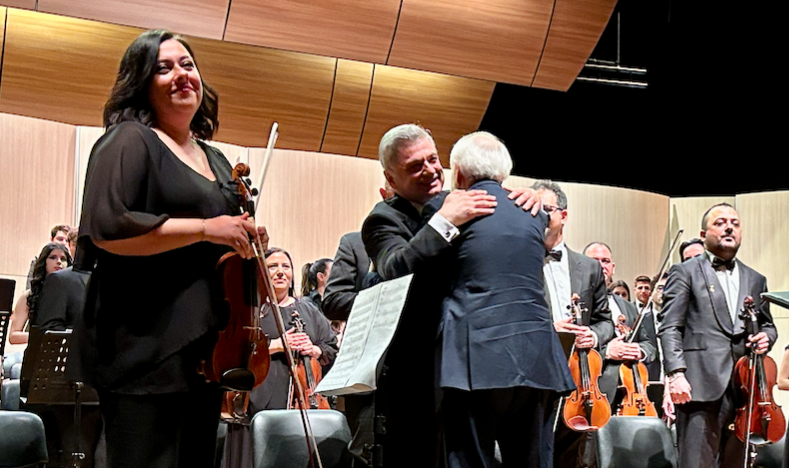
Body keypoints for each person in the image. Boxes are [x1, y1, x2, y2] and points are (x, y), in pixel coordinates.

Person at [71, 29, 267, 468]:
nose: (181, 75)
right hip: (145, 344)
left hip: (205, 351)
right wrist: (205, 228)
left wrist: (244, 238)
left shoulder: (215, 158)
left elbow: (220, 240)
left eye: (187, 65)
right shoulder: (129, 140)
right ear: (141, 82)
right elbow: (108, 227)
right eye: (163, 68)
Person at [361, 123, 540, 467]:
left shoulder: (460, 199)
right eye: (415, 166)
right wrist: (442, 222)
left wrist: (522, 199)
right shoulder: (381, 220)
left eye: (433, 159)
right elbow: (396, 270)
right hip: (416, 373)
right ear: (391, 180)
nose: (430, 170)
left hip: (470, 360)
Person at [439, 132, 575, 468]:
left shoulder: (451, 209)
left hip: (475, 357)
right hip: (537, 359)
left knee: (470, 460)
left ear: (458, 173)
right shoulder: (535, 213)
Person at [660, 202, 776, 468]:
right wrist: (676, 374)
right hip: (698, 387)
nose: (729, 227)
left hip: (745, 392)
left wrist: (767, 338)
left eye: (735, 223)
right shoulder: (684, 271)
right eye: (720, 222)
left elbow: (769, 325)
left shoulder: (756, 278)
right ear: (703, 234)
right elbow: (670, 327)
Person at [531, 180, 613, 468]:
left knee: (572, 456)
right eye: (533, 210)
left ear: (563, 215)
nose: (538, 216)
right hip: (536, 373)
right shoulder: (523, 261)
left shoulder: (589, 267)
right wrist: (551, 328)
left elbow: (605, 321)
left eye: (546, 210)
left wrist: (593, 334)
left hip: (580, 380)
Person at [583, 242, 657, 408]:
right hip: (592, 391)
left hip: (632, 391)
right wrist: (606, 352)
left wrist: (640, 351)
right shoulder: (576, 304)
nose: (601, 265)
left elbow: (650, 345)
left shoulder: (628, 307)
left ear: (613, 267)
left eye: (606, 261)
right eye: (595, 260)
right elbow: (568, 347)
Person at [9, 242, 72, 344]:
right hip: (38, 353)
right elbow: (13, 336)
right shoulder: (29, 295)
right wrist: (44, 336)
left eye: (63, 259)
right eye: (53, 257)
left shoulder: (73, 294)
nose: (59, 262)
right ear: (44, 262)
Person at [26, 224, 71, 289]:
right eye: (60, 239)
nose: (64, 243)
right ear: (52, 240)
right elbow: (30, 289)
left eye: (67, 240)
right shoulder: (37, 263)